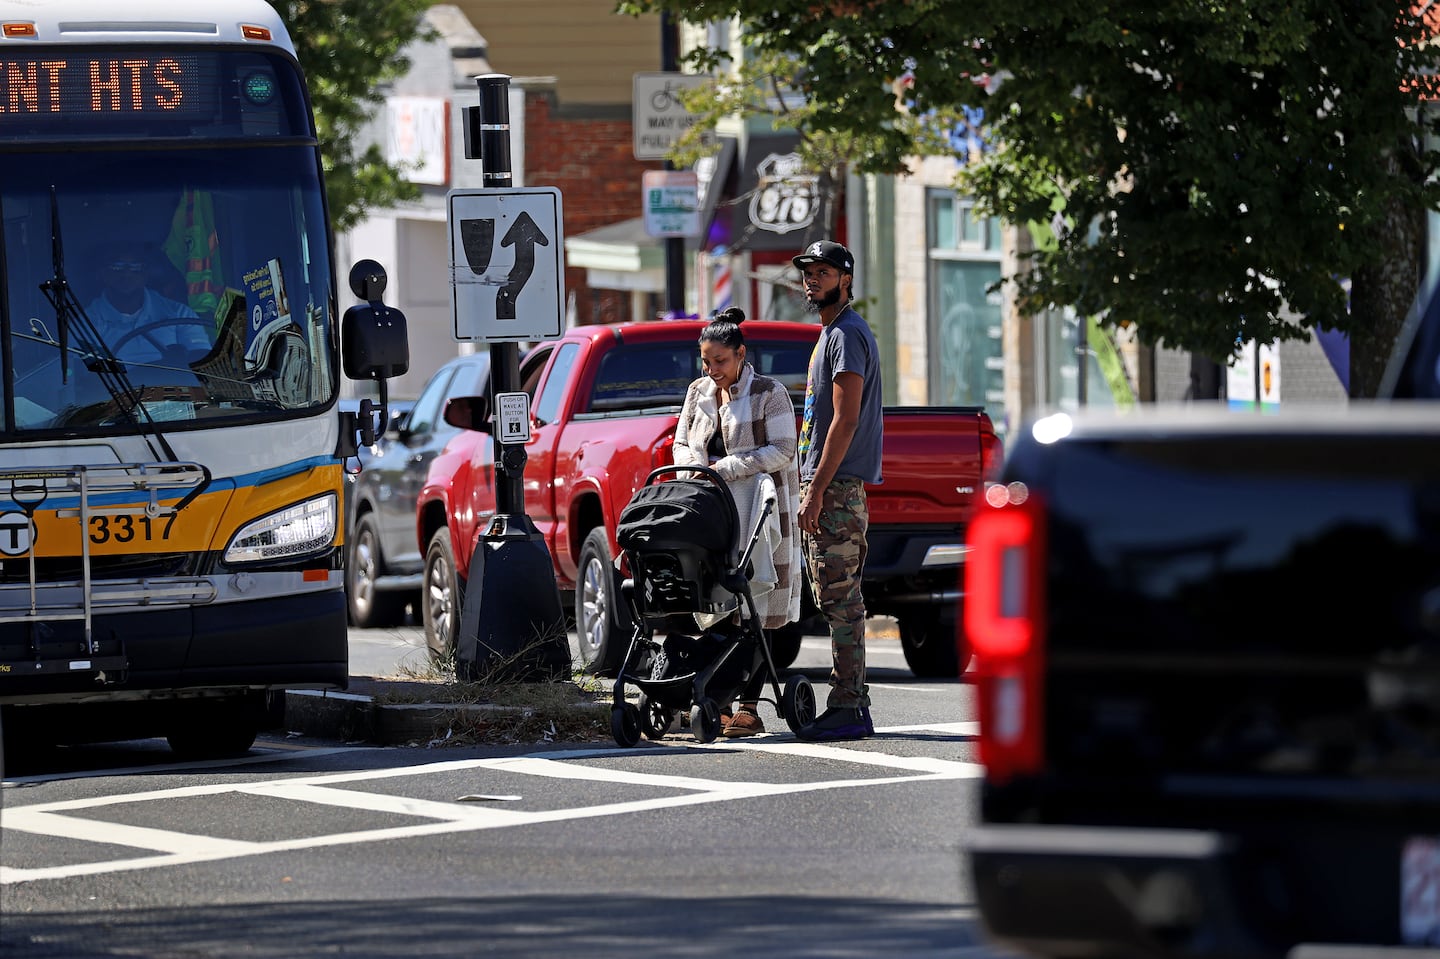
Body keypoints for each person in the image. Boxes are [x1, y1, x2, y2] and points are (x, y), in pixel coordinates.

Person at [672, 307, 802, 738]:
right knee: (721, 603)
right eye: (705, 361)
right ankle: (720, 698)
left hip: (759, 511)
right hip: (712, 512)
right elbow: (680, 442)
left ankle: (748, 706)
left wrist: (728, 467)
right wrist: (696, 467)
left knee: (757, 605)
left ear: (741, 354)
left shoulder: (769, 392)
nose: (712, 370)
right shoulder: (698, 390)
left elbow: (782, 448)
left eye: (720, 361)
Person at [790, 240, 884, 741]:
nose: (811, 279)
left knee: (841, 599)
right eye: (807, 271)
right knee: (833, 597)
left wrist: (816, 488)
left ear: (845, 278)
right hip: (829, 485)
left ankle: (849, 705)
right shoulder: (831, 332)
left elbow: (845, 421)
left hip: (838, 487)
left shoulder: (846, 334)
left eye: (822, 271)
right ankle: (849, 700)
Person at [85, 244, 206, 361]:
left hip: (174, 382)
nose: (127, 274)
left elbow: (202, 364)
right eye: (117, 267)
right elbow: (85, 374)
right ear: (103, 273)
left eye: (136, 267)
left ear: (147, 274)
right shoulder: (85, 324)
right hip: (116, 382)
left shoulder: (180, 315)